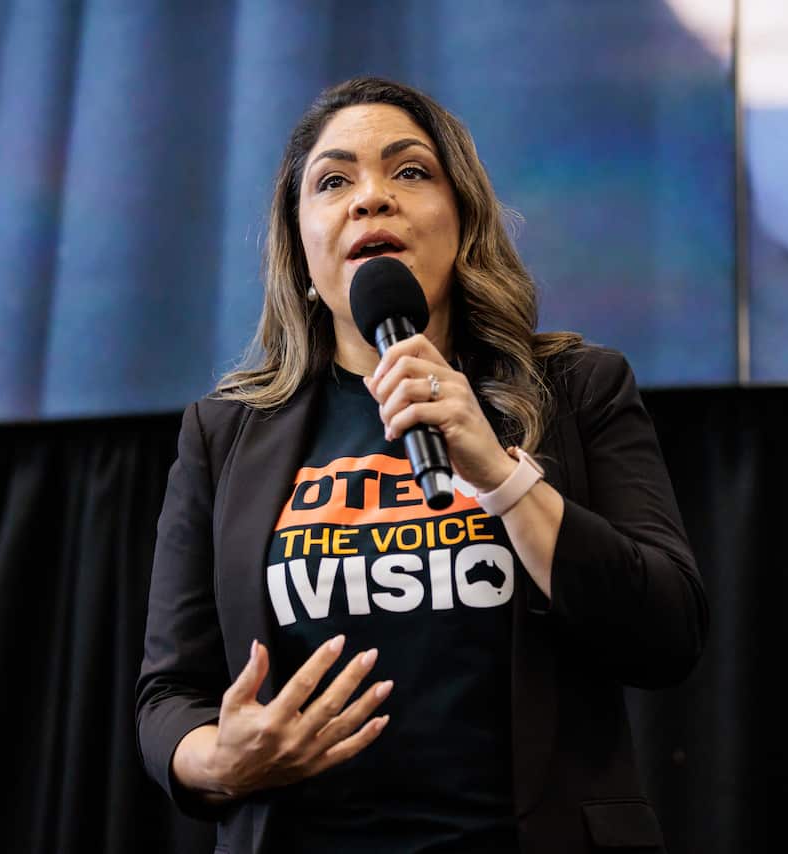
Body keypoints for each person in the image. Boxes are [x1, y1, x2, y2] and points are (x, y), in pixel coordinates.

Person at [135, 77, 708, 854]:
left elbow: (666, 630)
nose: (370, 198)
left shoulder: (577, 391)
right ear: (301, 249)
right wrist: (221, 760)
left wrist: (503, 476)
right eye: (333, 181)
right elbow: (170, 693)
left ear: (463, 221)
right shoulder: (225, 434)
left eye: (409, 171)